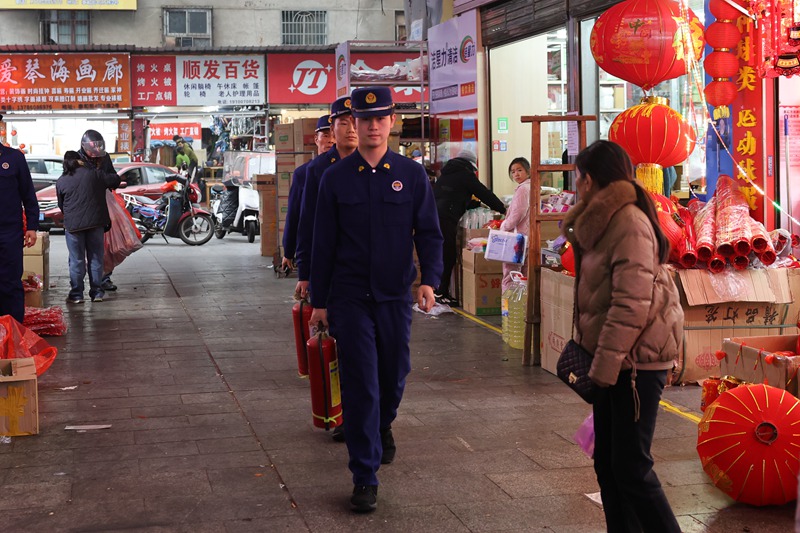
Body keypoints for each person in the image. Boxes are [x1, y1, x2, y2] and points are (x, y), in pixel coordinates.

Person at [308, 86, 443, 513]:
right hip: (349, 298)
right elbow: (323, 243)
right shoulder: (335, 178)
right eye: (363, 120)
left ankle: (383, 424)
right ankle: (364, 475)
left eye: (379, 119)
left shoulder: (411, 174)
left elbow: (429, 233)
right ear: (352, 123)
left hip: (392, 296)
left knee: (394, 372)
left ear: (391, 122)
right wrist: (320, 298)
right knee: (361, 381)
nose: (371, 126)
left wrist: (428, 280)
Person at [562, 140, 683, 532]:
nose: (576, 186)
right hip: (615, 360)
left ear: (590, 180)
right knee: (609, 465)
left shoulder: (627, 222)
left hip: (635, 364)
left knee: (631, 467)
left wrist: (604, 367)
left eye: (578, 177)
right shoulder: (602, 221)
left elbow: (630, 303)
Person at [294, 96, 358, 299]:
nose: (351, 130)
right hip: (332, 267)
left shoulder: (379, 168)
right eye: (344, 123)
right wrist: (304, 271)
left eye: (356, 123)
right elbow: (306, 222)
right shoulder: (317, 170)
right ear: (333, 128)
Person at [432, 149, 506, 305]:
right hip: (446, 218)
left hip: (434, 216)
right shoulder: (465, 174)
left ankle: (436, 289)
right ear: (471, 165)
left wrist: (475, 204)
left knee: (440, 253)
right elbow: (484, 192)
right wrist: (504, 209)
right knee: (448, 254)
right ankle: (440, 292)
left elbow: (454, 195)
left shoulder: (447, 174)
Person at [57, 151, 121, 303]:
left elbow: (61, 205)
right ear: (81, 160)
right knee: (95, 258)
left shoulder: (61, 180)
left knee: (76, 260)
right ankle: (97, 293)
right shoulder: (95, 174)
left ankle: (77, 294)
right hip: (96, 224)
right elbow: (115, 180)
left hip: (73, 226)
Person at [281, 115, 334, 271]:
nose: (330, 140)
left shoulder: (351, 171)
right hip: (315, 246)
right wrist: (289, 250)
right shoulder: (303, 173)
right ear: (316, 139)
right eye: (325, 136)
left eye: (333, 136)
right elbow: (294, 214)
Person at [0, 135, 39, 323]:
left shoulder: (14, 158)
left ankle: (14, 330)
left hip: (9, 231)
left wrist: (32, 226)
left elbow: (28, 194)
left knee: (10, 282)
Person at [79, 130, 120, 292]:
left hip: (101, 208)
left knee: (104, 248)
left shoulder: (105, 158)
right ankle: (78, 286)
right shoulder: (75, 159)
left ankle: (104, 278)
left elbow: (114, 178)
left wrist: (100, 178)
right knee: (78, 255)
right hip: (81, 210)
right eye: (92, 150)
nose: (95, 153)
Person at [499, 157, 531, 293]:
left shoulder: (523, 189)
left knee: (510, 276)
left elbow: (517, 214)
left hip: (516, 239)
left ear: (528, 171)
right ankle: (522, 309)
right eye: (513, 172)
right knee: (523, 276)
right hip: (526, 237)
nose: (516, 174)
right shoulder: (530, 187)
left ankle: (508, 310)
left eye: (519, 170)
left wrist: (504, 226)